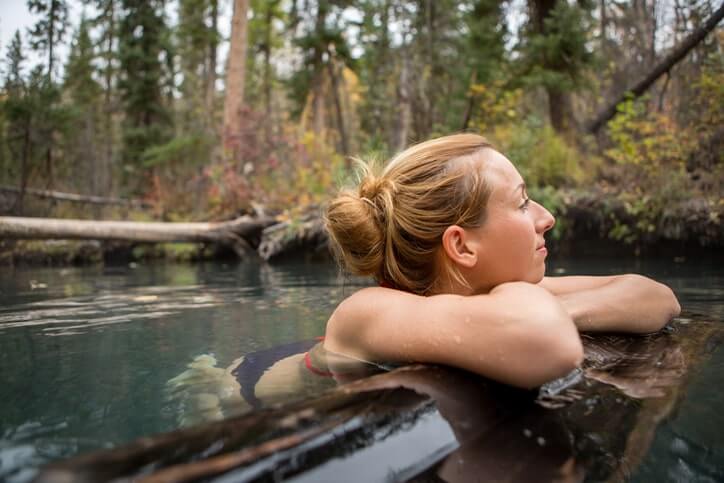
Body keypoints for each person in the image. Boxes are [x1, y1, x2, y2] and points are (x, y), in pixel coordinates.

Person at [323, 133, 681, 389]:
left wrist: (558, 307)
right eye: (523, 203)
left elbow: (657, 297)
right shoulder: (366, 312)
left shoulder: (492, 288)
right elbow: (549, 344)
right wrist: (542, 310)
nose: (548, 217)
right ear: (462, 247)